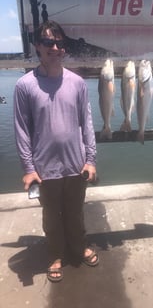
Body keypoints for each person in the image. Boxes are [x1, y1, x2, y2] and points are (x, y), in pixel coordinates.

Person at [14, 20, 99, 283]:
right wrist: (29, 168)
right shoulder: (24, 85)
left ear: (64, 49)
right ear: (38, 46)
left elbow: (87, 123)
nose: (54, 47)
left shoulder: (77, 82)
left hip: (76, 165)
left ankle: (78, 246)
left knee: (75, 212)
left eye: (59, 43)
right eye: (48, 42)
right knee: (51, 216)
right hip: (44, 168)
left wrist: (91, 159)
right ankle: (55, 255)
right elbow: (21, 129)